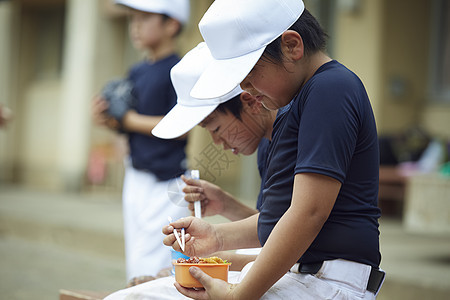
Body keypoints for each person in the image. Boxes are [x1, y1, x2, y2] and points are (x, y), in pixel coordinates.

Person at [161, 0, 385, 299]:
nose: (247, 88)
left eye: (250, 74)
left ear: (292, 45)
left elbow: (309, 212)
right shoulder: (300, 101)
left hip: (327, 282)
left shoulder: (330, 88)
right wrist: (215, 236)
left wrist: (239, 295)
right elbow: (280, 219)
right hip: (306, 275)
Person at [104, 42, 277, 300]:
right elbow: (274, 230)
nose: (218, 143)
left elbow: (291, 242)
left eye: (216, 128)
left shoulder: (292, 134)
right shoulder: (266, 146)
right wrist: (227, 206)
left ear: (250, 101)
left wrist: (211, 255)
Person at [91, 0, 190, 283]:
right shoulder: (136, 71)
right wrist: (107, 119)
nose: (135, 25)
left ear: (171, 24)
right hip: (136, 174)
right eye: (133, 18)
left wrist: (127, 119)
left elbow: (180, 126)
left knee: (157, 265)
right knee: (137, 261)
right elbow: (127, 126)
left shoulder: (179, 69)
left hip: (167, 182)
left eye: (145, 17)